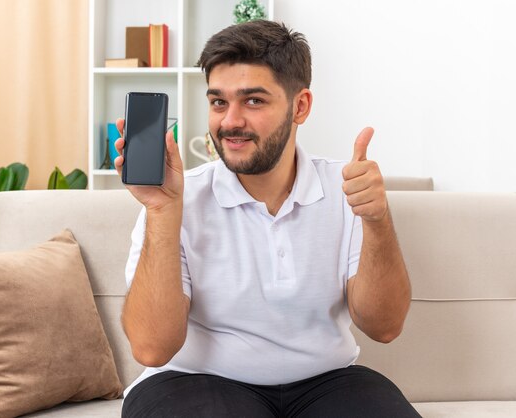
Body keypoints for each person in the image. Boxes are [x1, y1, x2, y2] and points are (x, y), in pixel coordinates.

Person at [115, 20, 420, 418]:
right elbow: (152, 348)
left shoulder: (347, 188)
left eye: (253, 101)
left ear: (301, 106)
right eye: (218, 102)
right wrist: (162, 212)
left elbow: (385, 326)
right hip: (193, 380)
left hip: (326, 380)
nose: (229, 122)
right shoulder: (175, 198)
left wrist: (377, 219)